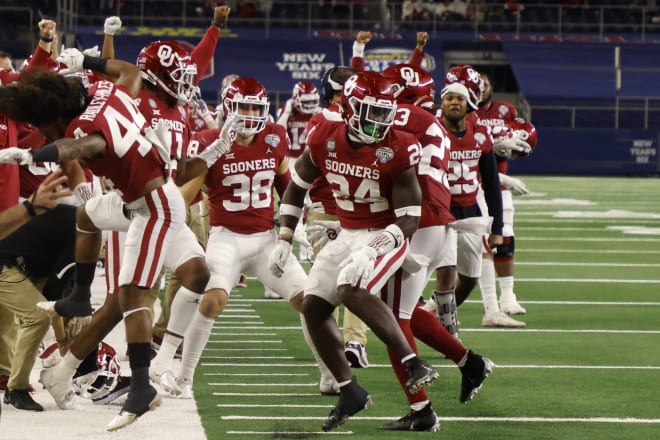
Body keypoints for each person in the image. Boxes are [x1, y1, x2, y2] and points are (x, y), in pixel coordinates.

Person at [0, 56, 187, 431]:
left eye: (44, 128)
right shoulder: (106, 89)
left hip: (154, 207)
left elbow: (80, 145)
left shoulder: (85, 124)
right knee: (87, 215)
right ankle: (81, 294)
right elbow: (130, 72)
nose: (47, 134)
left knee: (132, 295)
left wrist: (33, 154)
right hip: (134, 200)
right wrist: (87, 59)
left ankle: (141, 387)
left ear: (56, 115)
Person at [269, 71, 438, 432]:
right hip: (346, 231)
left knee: (350, 285)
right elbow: (297, 186)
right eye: (371, 112)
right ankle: (349, 390)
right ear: (348, 107)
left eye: (384, 112)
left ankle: (413, 364)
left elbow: (410, 218)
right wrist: (284, 235)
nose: (380, 122)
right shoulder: (324, 137)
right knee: (313, 306)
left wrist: (375, 248)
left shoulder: (400, 145)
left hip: (386, 232)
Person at [151, 76, 329, 398]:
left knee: (310, 301)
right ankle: (184, 377)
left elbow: (285, 184)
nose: (248, 113)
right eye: (242, 106)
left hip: (265, 240)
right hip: (226, 237)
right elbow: (185, 196)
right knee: (213, 298)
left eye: (254, 107)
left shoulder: (275, 136)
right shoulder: (210, 140)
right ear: (228, 107)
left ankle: (330, 374)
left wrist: (293, 227)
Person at [438, 65, 512, 329]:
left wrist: (497, 227)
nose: (455, 102)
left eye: (460, 97)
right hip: (437, 212)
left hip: (469, 211)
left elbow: (491, 183)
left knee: (470, 277)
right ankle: (441, 326)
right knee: (437, 271)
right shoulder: (431, 129)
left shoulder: (480, 133)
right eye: (450, 97)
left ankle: (430, 313)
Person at [476, 72, 531, 316]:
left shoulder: (505, 110)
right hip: (471, 187)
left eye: (485, 84)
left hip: (499, 188)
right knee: (474, 246)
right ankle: (489, 304)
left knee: (505, 242)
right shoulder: (463, 113)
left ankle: (508, 296)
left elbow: (518, 135)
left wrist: (519, 145)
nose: (482, 88)